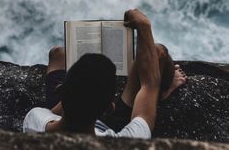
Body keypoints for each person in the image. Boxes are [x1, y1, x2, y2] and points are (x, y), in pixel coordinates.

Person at [23, 9, 187, 138]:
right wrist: (144, 25)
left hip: (66, 109)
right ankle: (164, 92)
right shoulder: (123, 142)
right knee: (159, 53)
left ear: (61, 90)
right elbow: (150, 85)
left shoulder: (34, 119)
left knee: (58, 54)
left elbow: (53, 113)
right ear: (110, 108)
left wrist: (75, 87)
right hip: (99, 115)